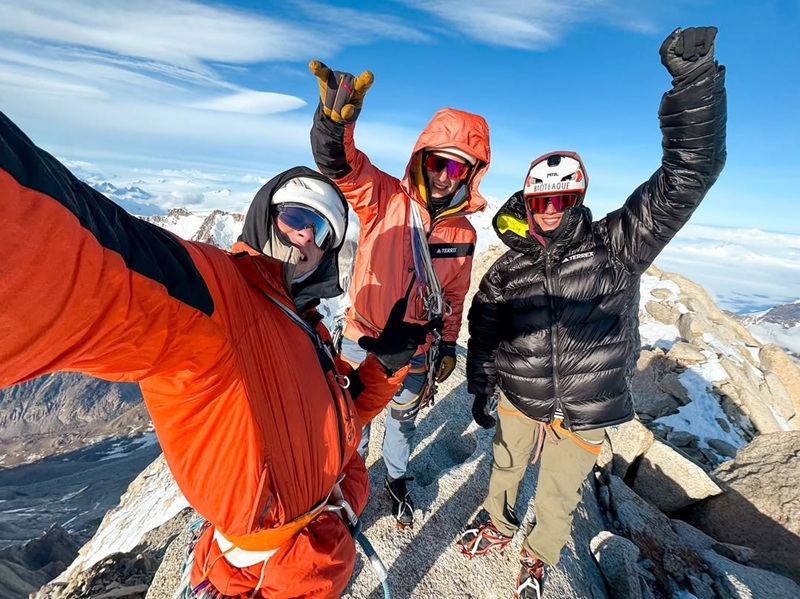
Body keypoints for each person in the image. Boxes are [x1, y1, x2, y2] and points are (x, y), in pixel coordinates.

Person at [0, 115, 441, 598]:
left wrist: (387, 366)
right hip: (267, 566)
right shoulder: (216, 296)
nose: (307, 239)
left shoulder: (306, 325)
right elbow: (92, 266)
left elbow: (341, 414)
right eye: (296, 218)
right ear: (263, 216)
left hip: (311, 549)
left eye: (323, 234)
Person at [458, 26, 726, 599]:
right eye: (540, 201)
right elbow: (484, 330)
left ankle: (539, 554)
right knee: (504, 470)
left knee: (558, 493)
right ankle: (497, 523)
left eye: (561, 199)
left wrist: (695, 82)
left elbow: (689, 175)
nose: (549, 211)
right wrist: (481, 383)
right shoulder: (507, 269)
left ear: (577, 200)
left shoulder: (618, 245)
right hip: (518, 398)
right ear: (526, 204)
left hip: (587, 410)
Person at [309, 59, 491, 528]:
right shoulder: (385, 197)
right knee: (353, 421)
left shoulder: (465, 234)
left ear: (471, 173)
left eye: (458, 166)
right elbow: (341, 167)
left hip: (417, 350)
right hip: (361, 339)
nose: (446, 174)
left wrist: (447, 345)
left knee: (403, 422)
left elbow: (454, 296)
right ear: (422, 158)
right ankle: (346, 486)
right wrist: (335, 125)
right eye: (438, 161)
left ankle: (394, 479)